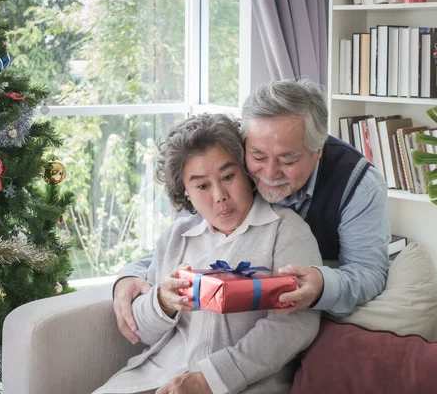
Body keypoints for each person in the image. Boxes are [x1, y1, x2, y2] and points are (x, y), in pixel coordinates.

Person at [114, 79, 390, 348]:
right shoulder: (232, 166)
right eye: (257, 156)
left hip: (303, 320)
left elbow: (369, 272)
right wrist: (130, 275)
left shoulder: (358, 184)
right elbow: (188, 236)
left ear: (317, 152)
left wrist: (321, 286)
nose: (269, 174)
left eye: (288, 159)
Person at [94, 113, 321, 394]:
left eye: (228, 176)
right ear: (185, 191)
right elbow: (140, 331)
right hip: (157, 376)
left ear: (246, 172)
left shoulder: (285, 231)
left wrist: (210, 379)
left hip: (239, 384)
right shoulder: (177, 235)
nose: (219, 196)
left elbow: (294, 326)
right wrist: (163, 302)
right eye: (202, 185)